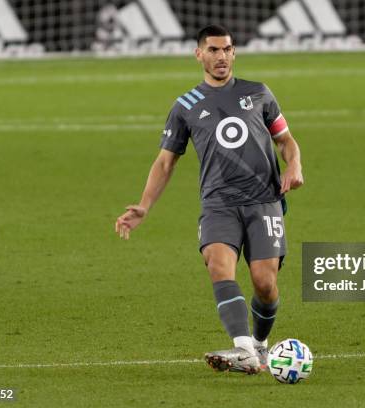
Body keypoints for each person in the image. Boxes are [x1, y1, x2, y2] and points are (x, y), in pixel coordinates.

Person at [115, 25, 303, 375]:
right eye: (214, 50)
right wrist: (144, 205)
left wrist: (294, 165)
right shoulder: (185, 106)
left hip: (264, 201)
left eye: (227, 50)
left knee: (265, 283)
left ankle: (260, 344)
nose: (222, 57)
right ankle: (244, 348)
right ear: (198, 54)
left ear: (234, 53)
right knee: (219, 266)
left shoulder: (258, 93)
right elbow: (165, 161)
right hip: (218, 204)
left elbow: (286, 140)